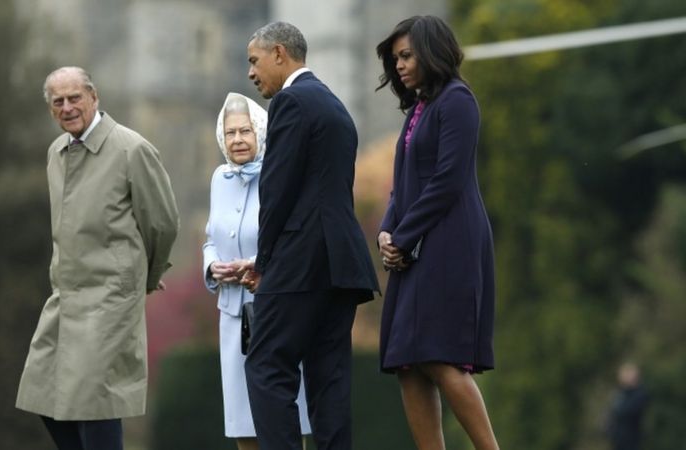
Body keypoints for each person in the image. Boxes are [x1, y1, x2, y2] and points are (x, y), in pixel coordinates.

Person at [15, 66, 179, 450]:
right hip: (65, 296)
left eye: (75, 98)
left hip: (110, 298)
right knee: (41, 390)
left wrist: (146, 278)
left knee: (95, 402)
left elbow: (163, 223)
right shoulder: (55, 153)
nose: (68, 107)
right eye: (59, 102)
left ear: (94, 97)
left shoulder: (131, 149)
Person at [241, 22, 380, 450]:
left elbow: (276, 191)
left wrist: (263, 263)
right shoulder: (335, 106)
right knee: (329, 379)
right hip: (341, 265)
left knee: (266, 365)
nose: (250, 72)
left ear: (279, 53)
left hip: (301, 261)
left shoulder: (291, 102)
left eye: (254, 61)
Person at [375, 16, 499, 450]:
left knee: (440, 356)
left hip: (450, 243)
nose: (401, 66)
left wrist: (404, 237)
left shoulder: (458, 101)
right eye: (396, 59)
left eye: (407, 55)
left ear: (432, 52)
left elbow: (448, 180)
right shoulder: (418, 109)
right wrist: (387, 233)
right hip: (412, 246)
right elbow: (403, 182)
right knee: (407, 362)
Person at [202, 92, 312, 450]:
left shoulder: (279, 174)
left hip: (275, 310)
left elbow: (295, 239)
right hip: (233, 316)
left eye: (245, 131)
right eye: (230, 132)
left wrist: (257, 265)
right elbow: (210, 238)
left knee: (284, 415)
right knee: (241, 421)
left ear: (261, 132)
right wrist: (211, 266)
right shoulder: (219, 179)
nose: (237, 140)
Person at [606, 362, 648, 450]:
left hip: (631, 438)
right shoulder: (622, 393)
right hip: (618, 439)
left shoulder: (639, 394)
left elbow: (626, 411)